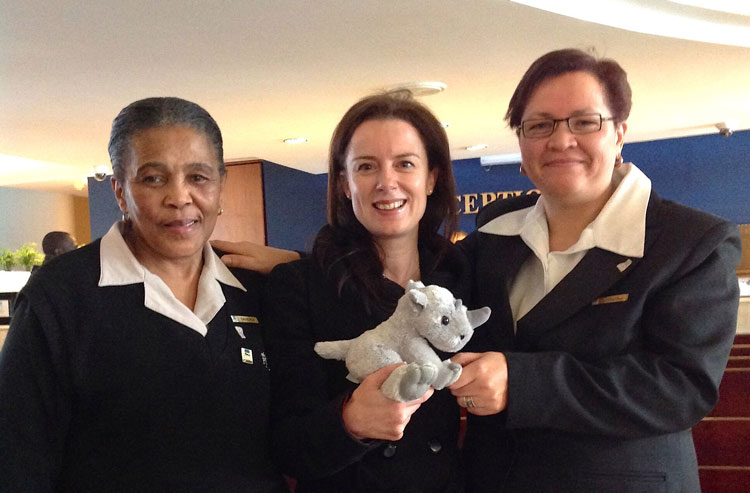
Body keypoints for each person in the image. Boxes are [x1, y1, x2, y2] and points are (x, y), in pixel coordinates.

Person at [450, 48, 742, 492]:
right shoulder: (495, 234)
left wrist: (523, 383)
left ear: (619, 134)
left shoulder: (691, 241)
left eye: (584, 122)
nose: (561, 140)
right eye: (539, 125)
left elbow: (680, 389)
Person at [0, 97, 286, 491]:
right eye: (153, 178)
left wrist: (300, 264)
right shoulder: (60, 296)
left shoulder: (256, 285)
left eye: (198, 177)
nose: (179, 197)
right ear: (120, 191)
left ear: (220, 186)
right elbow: (17, 460)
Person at [261, 92, 469, 492]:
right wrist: (350, 422)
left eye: (405, 164)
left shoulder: (462, 276)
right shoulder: (298, 288)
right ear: (344, 182)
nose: (386, 182)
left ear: (431, 178)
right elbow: (285, 445)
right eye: (366, 166)